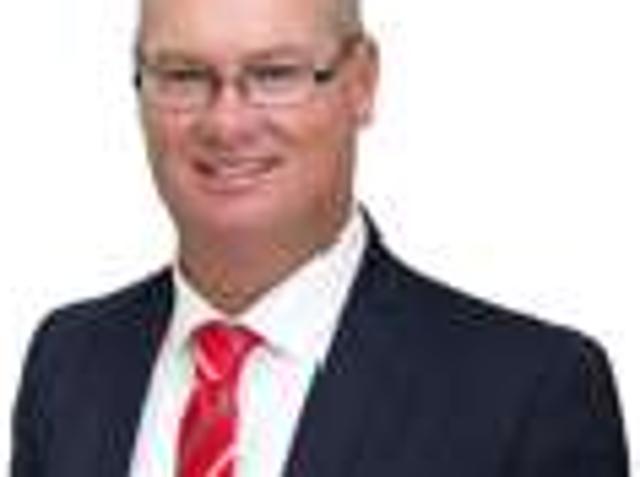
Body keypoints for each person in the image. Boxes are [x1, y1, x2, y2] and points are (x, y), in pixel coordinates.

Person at [11, 0, 629, 475]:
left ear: (362, 83)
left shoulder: (529, 394)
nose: (226, 122)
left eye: (274, 74)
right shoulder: (69, 362)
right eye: (183, 75)